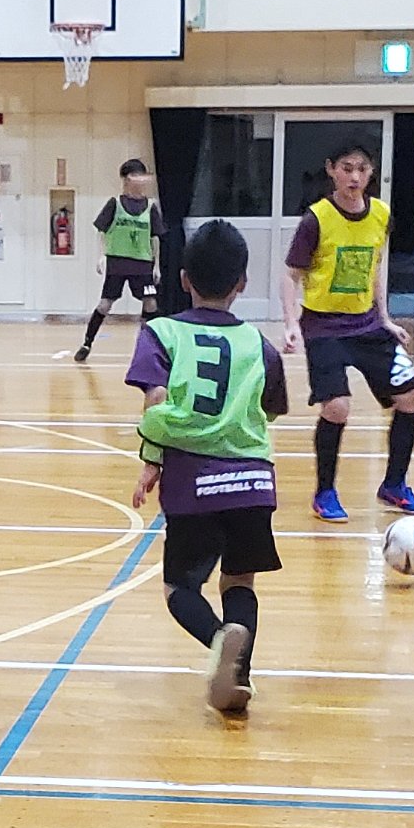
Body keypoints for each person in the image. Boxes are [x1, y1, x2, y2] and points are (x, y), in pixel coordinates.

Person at [125, 220, 290, 716]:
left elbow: (156, 402)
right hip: (252, 482)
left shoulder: (162, 332)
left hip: (193, 482)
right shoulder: (260, 344)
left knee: (180, 588)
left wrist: (151, 461)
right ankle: (238, 677)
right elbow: (272, 410)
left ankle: (220, 642)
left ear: (183, 279)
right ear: (242, 283)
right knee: (239, 582)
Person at [281, 141, 414, 524]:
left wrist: (386, 317)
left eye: (362, 169)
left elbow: (375, 267)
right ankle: (325, 492)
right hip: (324, 327)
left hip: (367, 325)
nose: (355, 177)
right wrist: (291, 323)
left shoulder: (380, 214)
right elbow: (291, 274)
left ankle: (394, 484)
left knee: (412, 398)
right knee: (337, 406)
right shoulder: (316, 219)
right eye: (347, 168)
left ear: (371, 172)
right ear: (331, 169)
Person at [73, 159, 160, 364]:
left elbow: (155, 237)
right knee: (105, 304)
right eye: (136, 176)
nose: (140, 180)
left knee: (151, 303)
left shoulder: (150, 207)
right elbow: (101, 231)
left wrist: (156, 265)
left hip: (142, 264)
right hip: (118, 262)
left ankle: (148, 346)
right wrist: (101, 255)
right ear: (126, 179)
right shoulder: (115, 203)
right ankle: (87, 343)